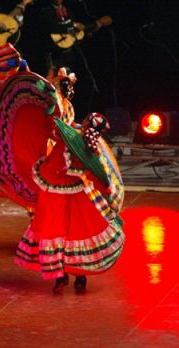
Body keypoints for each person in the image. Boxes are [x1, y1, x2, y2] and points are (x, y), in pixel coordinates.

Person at [15, 113, 125, 293]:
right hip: (65, 190)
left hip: (61, 190)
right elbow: (94, 172)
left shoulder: (80, 142)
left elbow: (87, 170)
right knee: (72, 231)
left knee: (63, 231)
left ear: (88, 123)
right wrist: (106, 191)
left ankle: (67, 276)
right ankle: (70, 276)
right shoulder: (81, 140)